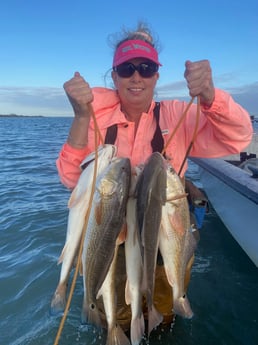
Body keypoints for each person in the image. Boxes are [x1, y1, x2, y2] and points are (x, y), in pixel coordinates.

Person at [56, 22, 253, 329]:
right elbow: (71, 179)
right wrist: (82, 116)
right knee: (115, 315)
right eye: (127, 68)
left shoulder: (176, 115)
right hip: (112, 234)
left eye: (146, 68)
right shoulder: (97, 116)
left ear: (156, 75)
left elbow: (238, 137)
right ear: (115, 75)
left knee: (165, 306)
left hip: (168, 234)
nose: (137, 76)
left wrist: (212, 97)